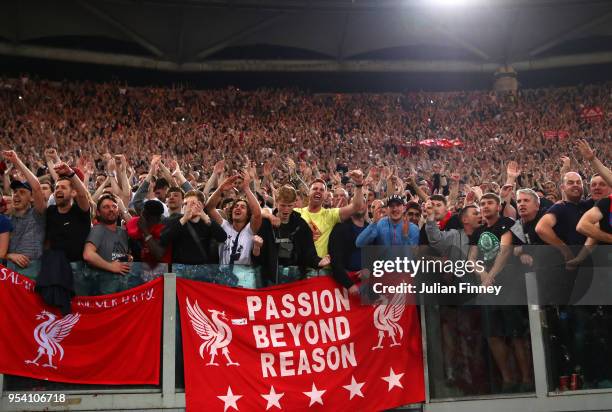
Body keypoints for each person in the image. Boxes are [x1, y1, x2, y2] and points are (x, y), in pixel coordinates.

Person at [468, 193, 532, 393]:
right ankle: (508, 378)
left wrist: (490, 276)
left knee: (515, 334)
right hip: (487, 289)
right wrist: (482, 273)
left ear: (498, 206)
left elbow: (505, 250)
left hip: (510, 285)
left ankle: (527, 378)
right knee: (492, 335)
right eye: (482, 204)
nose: (485, 206)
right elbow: (471, 259)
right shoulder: (478, 232)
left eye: (489, 203)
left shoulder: (507, 222)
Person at [255, 185, 327, 284]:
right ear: (276, 203)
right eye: (283, 205)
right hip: (270, 279)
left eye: (289, 206)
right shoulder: (267, 224)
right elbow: (257, 258)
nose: (286, 209)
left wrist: (318, 262)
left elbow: (308, 251)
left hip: (295, 280)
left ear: (294, 204)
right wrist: (256, 247)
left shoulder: (300, 224)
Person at [295, 171, 364, 258]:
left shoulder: (330, 215)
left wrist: (359, 184)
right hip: (300, 268)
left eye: (322, 190)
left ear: (325, 195)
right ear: (309, 192)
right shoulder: (297, 213)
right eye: (315, 189)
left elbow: (356, 206)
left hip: (323, 269)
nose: (318, 191)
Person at [45, 162, 91, 288]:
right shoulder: (51, 211)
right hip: (54, 271)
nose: (59, 190)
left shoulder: (80, 212)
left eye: (63, 188)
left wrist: (71, 173)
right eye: (57, 188)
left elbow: (83, 194)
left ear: (73, 193)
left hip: (78, 272)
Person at [2, 150, 47, 279]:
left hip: (33, 273)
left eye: (22, 192)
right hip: (10, 274)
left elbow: (37, 187)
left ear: (31, 198)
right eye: (15, 192)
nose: (16, 195)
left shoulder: (38, 215)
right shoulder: (6, 220)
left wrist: (16, 161)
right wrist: (9, 255)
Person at [206, 172, 262, 266]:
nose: (238, 208)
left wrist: (246, 188)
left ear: (248, 215)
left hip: (244, 277)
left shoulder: (250, 230)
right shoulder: (224, 226)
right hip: (224, 276)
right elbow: (210, 208)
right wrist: (220, 189)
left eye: (243, 207)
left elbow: (257, 214)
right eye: (236, 206)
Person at [160, 191, 227, 266]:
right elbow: (163, 240)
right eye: (185, 204)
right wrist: (184, 219)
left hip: (201, 271)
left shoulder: (208, 222)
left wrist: (206, 218)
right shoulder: (175, 219)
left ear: (201, 205)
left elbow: (222, 237)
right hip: (179, 270)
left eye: (192, 203)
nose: (187, 207)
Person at [82, 194, 131, 294]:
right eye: (106, 207)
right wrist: (111, 266)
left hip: (122, 285)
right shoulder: (98, 230)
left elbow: (114, 255)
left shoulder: (122, 232)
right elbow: (88, 255)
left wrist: (127, 258)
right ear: (98, 213)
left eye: (114, 206)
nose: (111, 209)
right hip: (103, 288)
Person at [329, 200, 369, 296]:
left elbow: (378, 257)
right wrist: (349, 284)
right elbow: (335, 260)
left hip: (367, 284)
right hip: (346, 285)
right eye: (356, 203)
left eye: (362, 202)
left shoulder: (371, 229)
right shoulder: (340, 228)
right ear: (350, 207)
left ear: (367, 205)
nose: (359, 205)